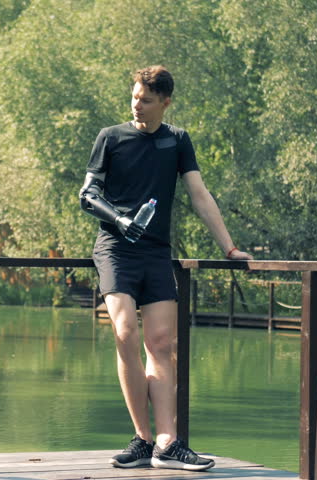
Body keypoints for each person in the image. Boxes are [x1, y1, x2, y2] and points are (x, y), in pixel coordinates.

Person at [79, 65, 253, 471]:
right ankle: (141, 438)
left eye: (146, 99)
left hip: (156, 253)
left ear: (166, 102)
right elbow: (88, 194)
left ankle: (167, 443)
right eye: (134, 97)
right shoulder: (111, 137)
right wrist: (119, 219)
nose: (137, 105)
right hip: (116, 249)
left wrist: (229, 249)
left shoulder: (177, 141)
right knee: (125, 332)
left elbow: (199, 195)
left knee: (161, 344)